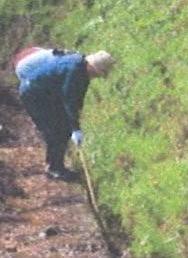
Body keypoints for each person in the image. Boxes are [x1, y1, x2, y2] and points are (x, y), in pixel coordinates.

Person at [14, 47, 114, 179]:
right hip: (34, 94)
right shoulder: (75, 71)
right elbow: (69, 99)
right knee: (54, 130)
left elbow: (78, 99)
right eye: (97, 73)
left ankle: (57, 165)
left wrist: (74, 124)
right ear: (92, 65)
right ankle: (54, 169)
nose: (96, 76)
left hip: (48, 93)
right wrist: (75, 128)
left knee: (64, 128)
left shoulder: (81, 68)